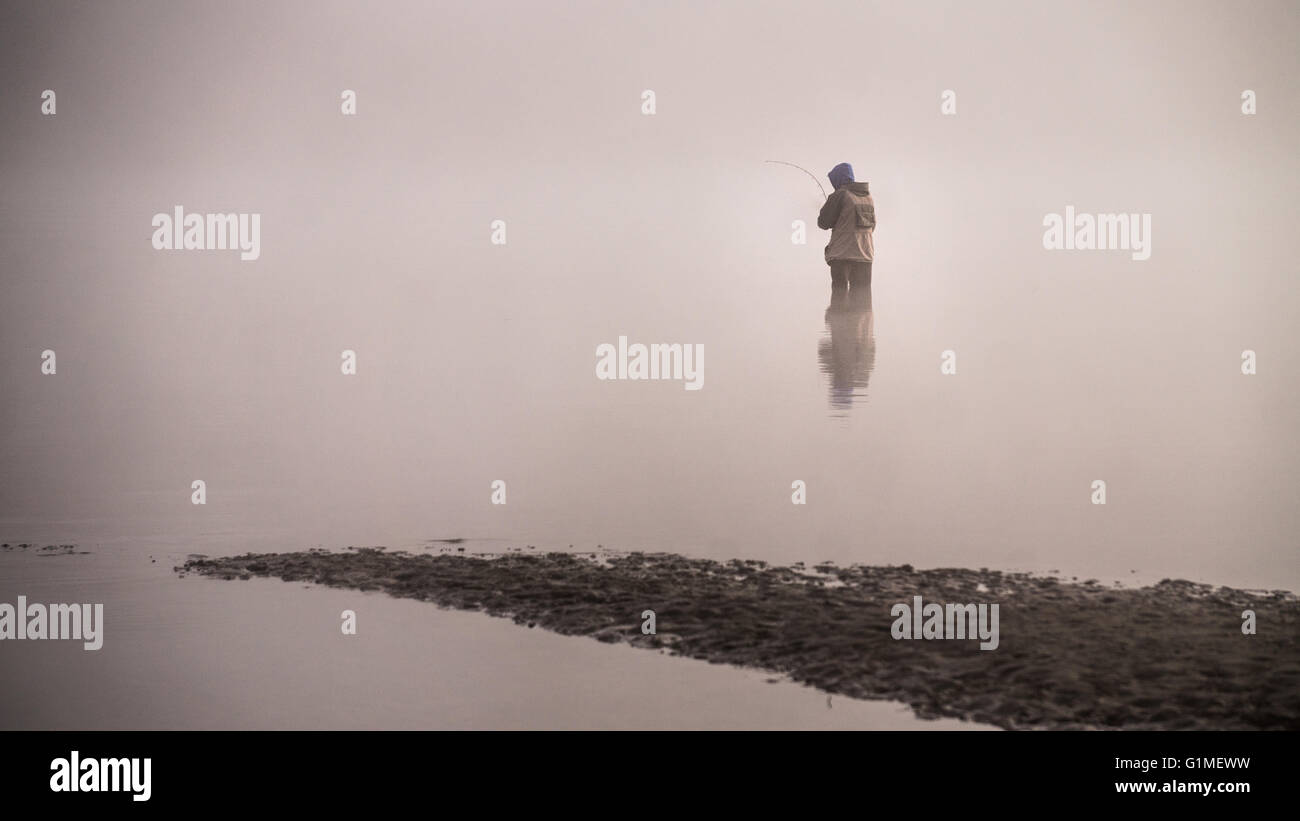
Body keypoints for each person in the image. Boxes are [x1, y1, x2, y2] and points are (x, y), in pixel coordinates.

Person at [816, 162, 875, 289]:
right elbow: (872, 227)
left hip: (842, 257)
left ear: (837, 179)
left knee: (839, 299)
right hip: (865, 255)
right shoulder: (868, 197)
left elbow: (823, 223)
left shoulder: (839, 195)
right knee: (862, 301)